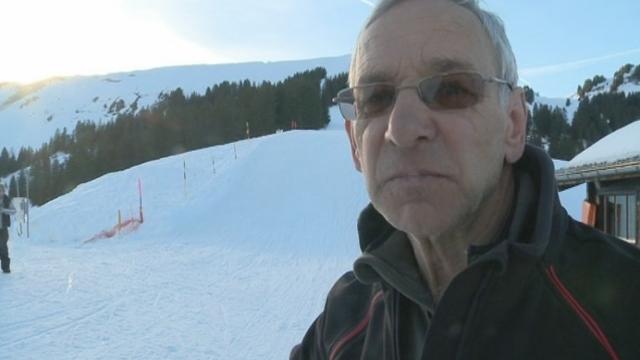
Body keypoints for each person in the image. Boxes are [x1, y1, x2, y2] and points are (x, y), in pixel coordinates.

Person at [291, 0, 640, 359]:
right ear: (354, 144)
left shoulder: (627, 311)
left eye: (451, 90)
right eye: (376, 98)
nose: (403, 129)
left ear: (514, 123)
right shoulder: (342, 323)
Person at [1, 183, 16, 273]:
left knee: (3, 247)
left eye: (1, 191)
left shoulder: (7, 200)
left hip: (3, 228)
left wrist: (3, 210)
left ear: (3, 191)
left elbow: (14, 211)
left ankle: (6, 267)